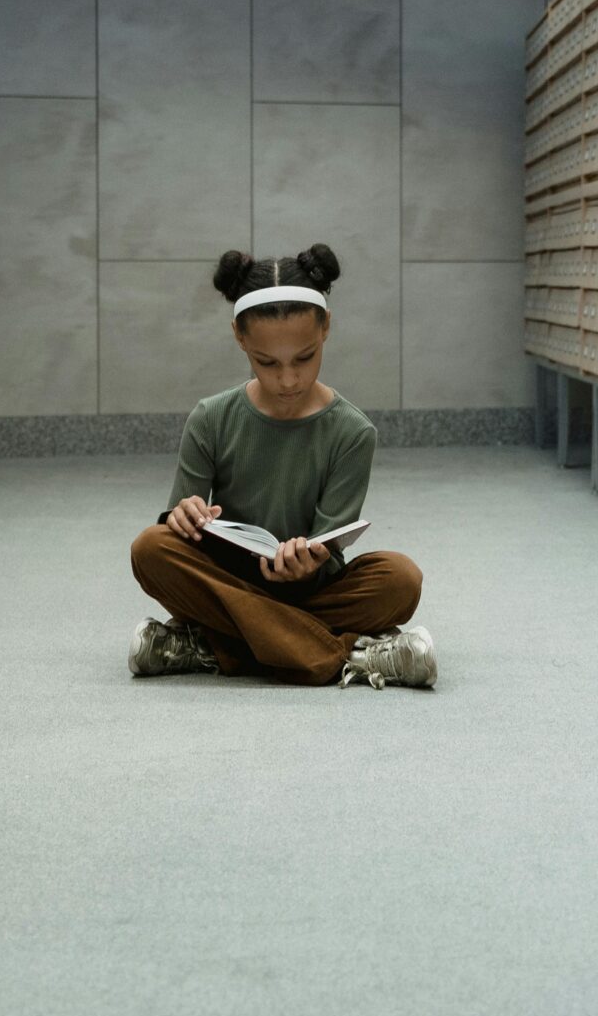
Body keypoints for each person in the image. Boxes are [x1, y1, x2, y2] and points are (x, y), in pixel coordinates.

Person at [127, 245, 435, 690]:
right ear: (239, 337)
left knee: (401, 579)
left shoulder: (352, 432)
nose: (287, 380)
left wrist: (305, 565)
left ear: (326, 328)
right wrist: (183, 515)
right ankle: (351, 654)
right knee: (150, 548)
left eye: (304, 358)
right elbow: (180, 537)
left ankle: (213, 646)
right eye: (267, 362)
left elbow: (329, 546)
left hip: (310, 591)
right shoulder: (211, 418)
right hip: (225, 580)